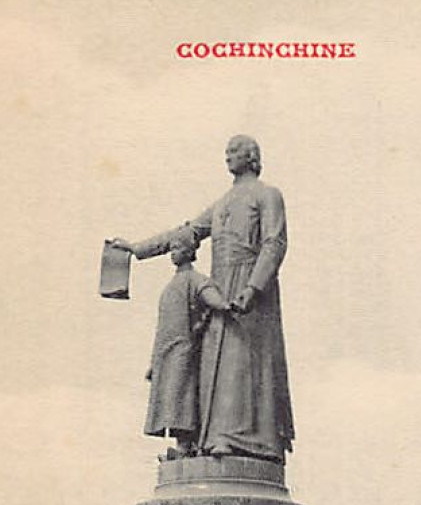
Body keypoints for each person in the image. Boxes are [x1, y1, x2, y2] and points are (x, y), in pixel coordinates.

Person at [109, 135, 294, 462]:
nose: (227, 157)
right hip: (219, 286)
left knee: (243, 362)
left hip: (251, 290)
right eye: (226, 152)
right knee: (213, 363)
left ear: (251, 157)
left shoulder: (268, 195)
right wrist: (138, 250)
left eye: (234, 152)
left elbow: (274, 243)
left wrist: (253, 288)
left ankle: (247, 441)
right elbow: (187, 232)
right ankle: (215, 435)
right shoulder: (222, 203)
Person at [144, 227, 228, 457]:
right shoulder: (169, 287)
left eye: (178, 248)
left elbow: (213, 299)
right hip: (165, 351)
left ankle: (186, 445)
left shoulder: (196, 280)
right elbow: (162, 327)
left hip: (185, 347)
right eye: (171, 249)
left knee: (184, 396)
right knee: (170, 399)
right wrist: (153, 362)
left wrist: (227, 305)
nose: (173, 253)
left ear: (189, 251)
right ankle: (183, 446)